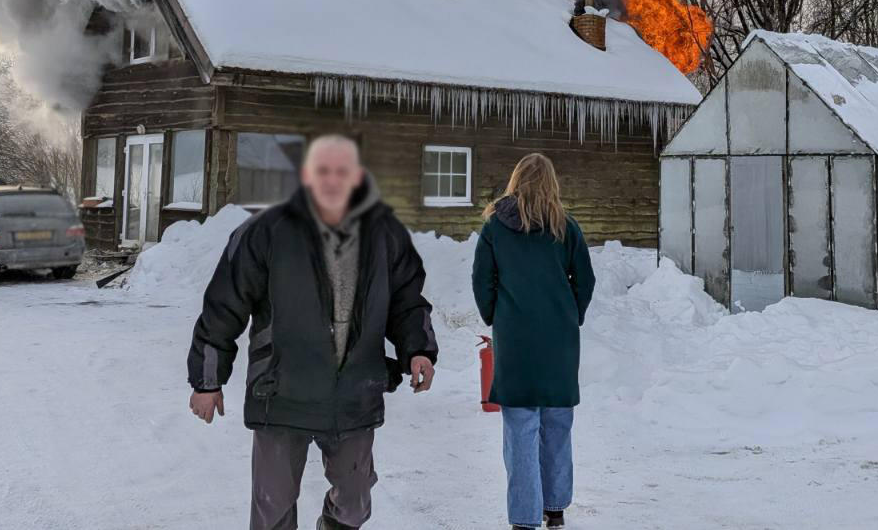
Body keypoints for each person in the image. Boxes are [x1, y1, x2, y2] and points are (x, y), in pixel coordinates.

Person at [187, 134, 438, 530]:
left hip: (354, 394)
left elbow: (407, 301)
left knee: (354, 504)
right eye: (323, 171)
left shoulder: (384, 235)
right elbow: (223, 307)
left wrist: (418, 350)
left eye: (343, 171)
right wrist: (207, 380)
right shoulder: (265, 232)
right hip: (282, 391)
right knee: (273, 509)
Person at [471, 153, 596, 530]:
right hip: (559, 342)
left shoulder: (495, 228)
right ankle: (554, 508)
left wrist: (497, 316)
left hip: (516, 340)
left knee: (520, 431)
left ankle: (524, 517)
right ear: (551, 184)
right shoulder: (565, 227)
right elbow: (585, 281)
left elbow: (482, 280)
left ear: (515, 181)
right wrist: (571, 315)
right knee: (557, 426)